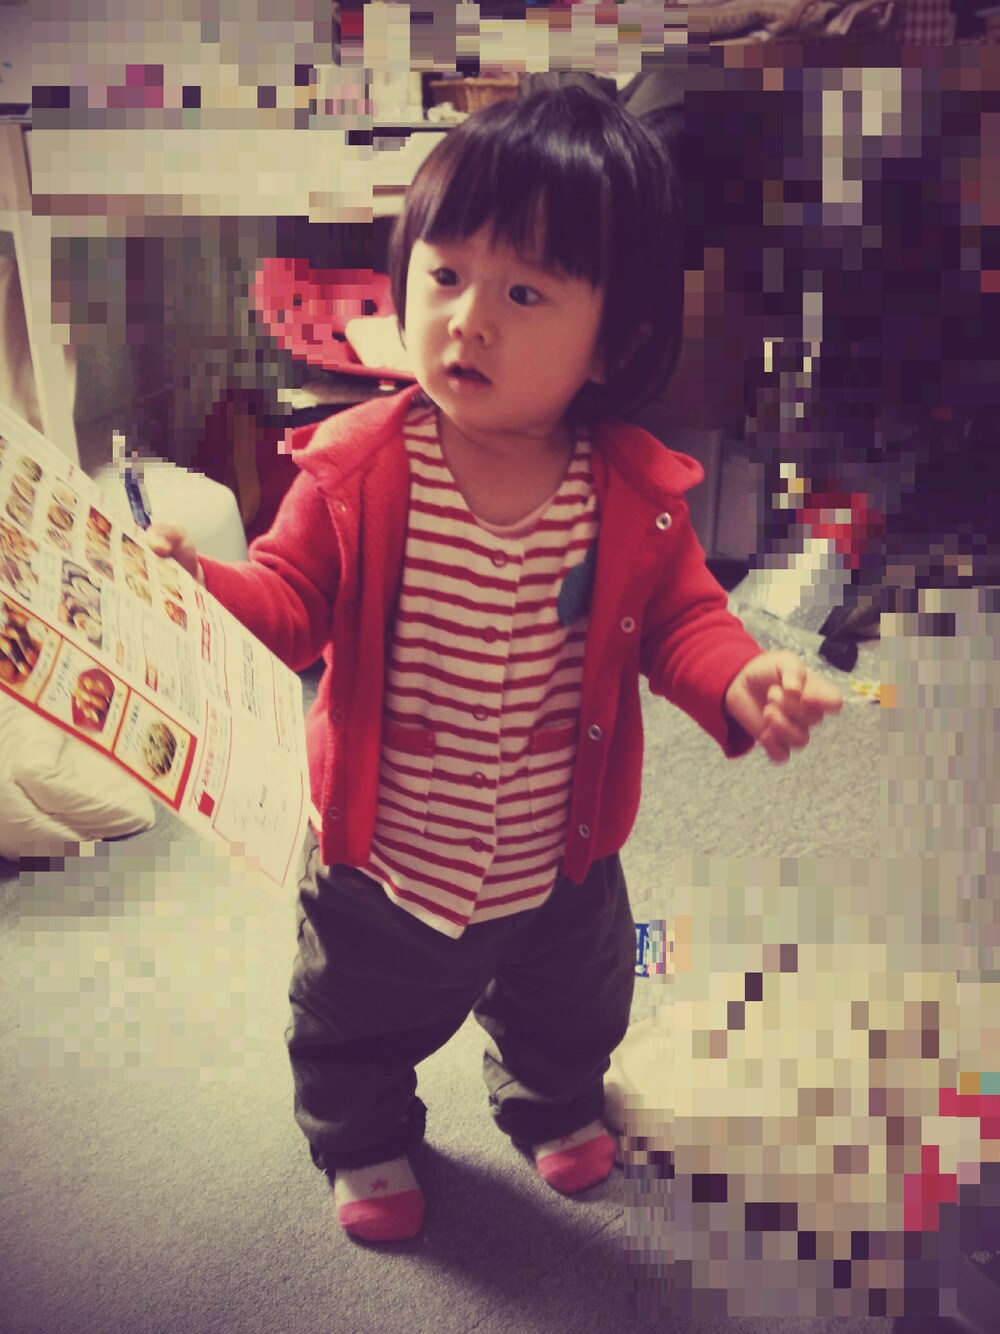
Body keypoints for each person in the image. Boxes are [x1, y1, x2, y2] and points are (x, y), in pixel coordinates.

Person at [149, 85, 843, 1245]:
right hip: (388, 858)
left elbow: (682, 618)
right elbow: (288, 603)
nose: (468, 318)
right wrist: (196, 590)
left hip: (558, 857)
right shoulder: (357, 472)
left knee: (575, 1002)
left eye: (524, 292)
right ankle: (363, 1133)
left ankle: (550, 1100)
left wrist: (738, 677)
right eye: (444, 274)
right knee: (352, 1014)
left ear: (612, 339)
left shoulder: (627, 491)